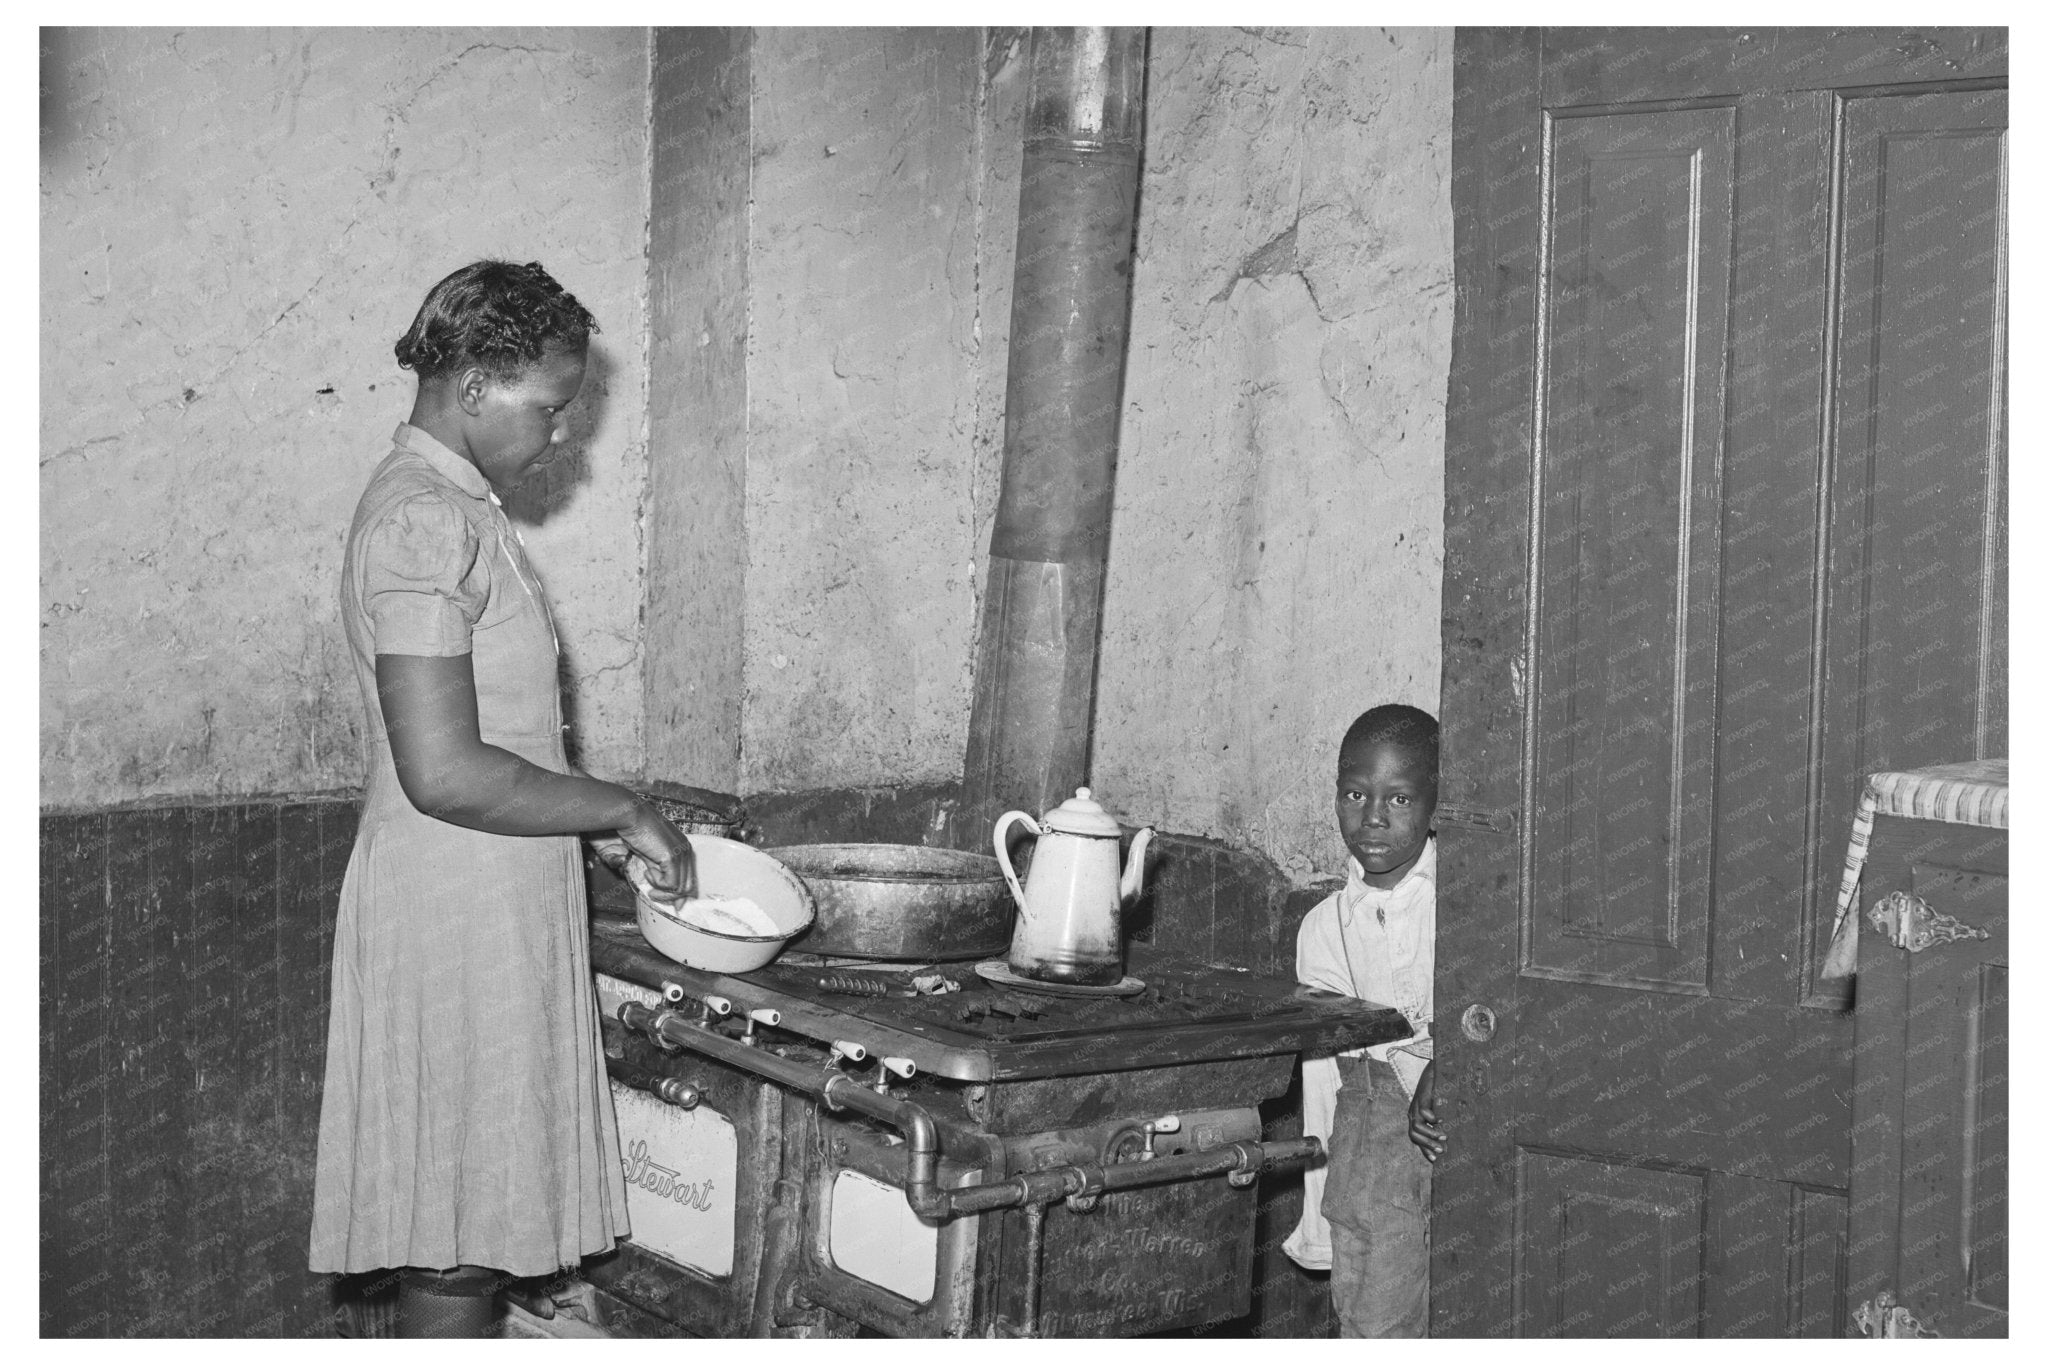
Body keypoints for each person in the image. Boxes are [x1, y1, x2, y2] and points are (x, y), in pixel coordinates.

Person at [309, 260, 699, 1338]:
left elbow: (499, 747)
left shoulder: (452, 513)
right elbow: (444, 770)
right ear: (476, 386)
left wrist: (584, 818)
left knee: (472, 1217)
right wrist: (617, 807)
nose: (563, 434)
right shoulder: (424, 524)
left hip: (486, 885)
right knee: (455, 1224)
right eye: (552, 408)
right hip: (454, 899)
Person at [1284, 703, 1444, 1337]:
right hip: (1375, 1167)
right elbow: (1323, 1090)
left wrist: (1445, 1062)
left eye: (1399, 798)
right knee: (1377, 1323)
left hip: (1465, 1140)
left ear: (1438, 802)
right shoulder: (1324, 930)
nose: (1372, 816)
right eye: (1355, 793)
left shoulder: (1467, 907)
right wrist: (1320, 1227)